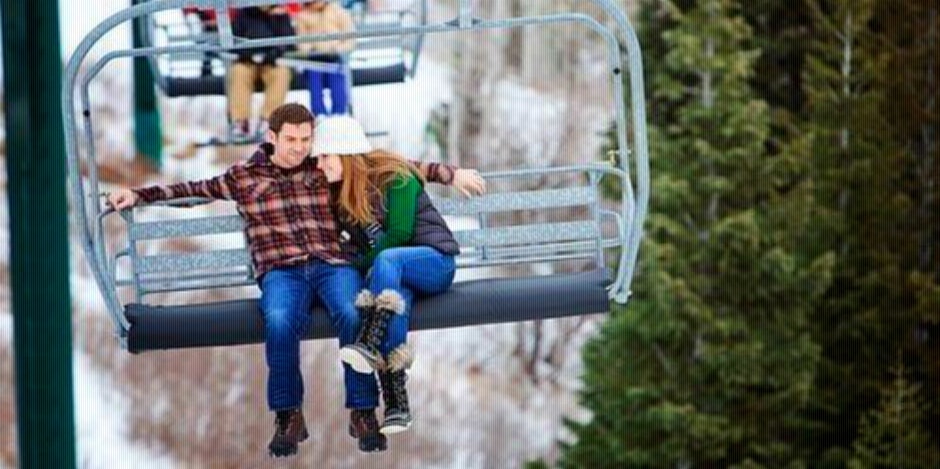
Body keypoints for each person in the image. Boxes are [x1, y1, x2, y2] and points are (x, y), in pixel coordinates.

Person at [106, 104, 485, 457]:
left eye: (306, 140)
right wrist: (138, 195)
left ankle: (363, 410)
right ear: (272, 137)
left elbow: (377, 164)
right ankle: (289, 415)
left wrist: (449, 174)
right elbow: (192, 191)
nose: (300, 148)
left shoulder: (320, 168)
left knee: (353, 312)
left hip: (331, 264)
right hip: (281, 269)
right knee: (280, 320)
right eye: (291, 140)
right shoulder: (244, 177)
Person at [312, 116, 470, 436]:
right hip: (393, 279)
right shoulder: (341, 196)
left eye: (324, 156)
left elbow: (399, 233)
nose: (319, 164)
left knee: (387, 260)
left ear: (345, 153)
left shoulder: (396, 177)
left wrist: (364, 264)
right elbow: (355, 254)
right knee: (395, 305)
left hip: (434, 264)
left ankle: (370, 341)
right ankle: (397, 401)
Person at [228, 6, 296, 142]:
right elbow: (233, 39)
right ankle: (240, 121)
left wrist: (275, 52)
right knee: (238, 72)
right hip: (248, 60)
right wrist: (247, 53)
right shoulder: (244, 13)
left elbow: (288, 40)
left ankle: (268, 120)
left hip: (271, 61)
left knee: (281, 74)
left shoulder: (280, 14)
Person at [294, 0, 356, 115]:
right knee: (314, 81)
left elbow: (350, 36)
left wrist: (338, 48)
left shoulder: (338, 12)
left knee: (338, 79)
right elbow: (301, 40)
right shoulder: (302, 16)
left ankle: (339, 113)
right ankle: (319, 114)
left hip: (335, 57)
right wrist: (310, 49)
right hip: (314, 59)